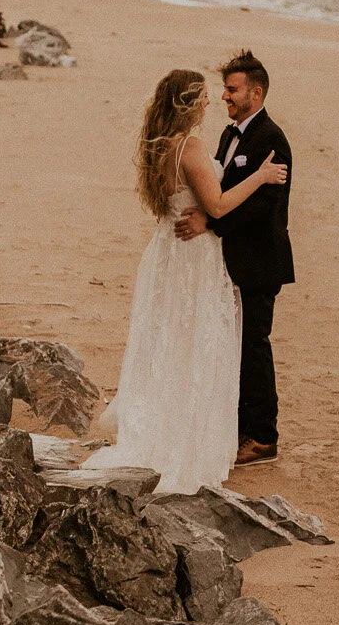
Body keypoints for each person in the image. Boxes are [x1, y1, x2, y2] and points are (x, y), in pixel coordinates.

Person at [84, 68, 287, 491]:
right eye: (205, 97)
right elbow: (216, 204)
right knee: (198, 341)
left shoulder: (159, 147)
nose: (214, 101)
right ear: (188, 104)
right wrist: (261, 176)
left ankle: (185, 422)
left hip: (168, 256)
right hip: (192, 259)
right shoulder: (190, 147)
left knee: (173, 341)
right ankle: (192, 435)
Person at [176, 50, 293, 466]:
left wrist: (212, 220)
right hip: (232, 261)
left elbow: (264, 205)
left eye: (232, 89)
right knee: (236, 346)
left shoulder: (272, 139)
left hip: (261, 261)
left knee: (254, 347)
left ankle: (263, 437)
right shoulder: (229, 136)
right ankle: (240, 428)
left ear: (255, 92)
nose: (224, 96)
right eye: (225, 89)